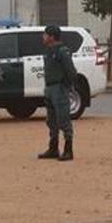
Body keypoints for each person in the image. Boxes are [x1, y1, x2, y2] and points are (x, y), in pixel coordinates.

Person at [37, 25, 77, 162]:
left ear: (52, 37)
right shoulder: (48, 51)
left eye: (45, 34)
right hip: (49, 88)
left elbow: (71, 72)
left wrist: (65, 85)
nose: (43, 37)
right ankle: (53, 148)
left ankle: (68, 149)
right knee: (51, 120)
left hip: (59, 88)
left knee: (63, 119)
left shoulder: (62, 51)